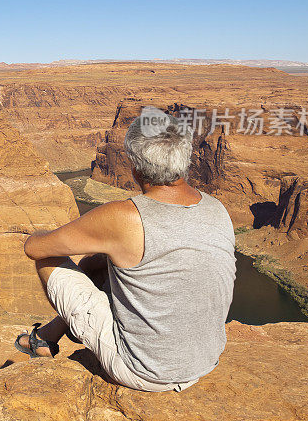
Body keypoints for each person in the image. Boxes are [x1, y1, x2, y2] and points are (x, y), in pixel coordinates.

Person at [16, 107, 236, 392]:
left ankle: (47, 336)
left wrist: (36, 233)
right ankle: (47, 335)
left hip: (143, 371)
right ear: (185, 158)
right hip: (205, 359)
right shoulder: (217, 208)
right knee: (103, 262)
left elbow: (35, 249)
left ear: (134, 165)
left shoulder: (123, 217)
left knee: (50, 259)